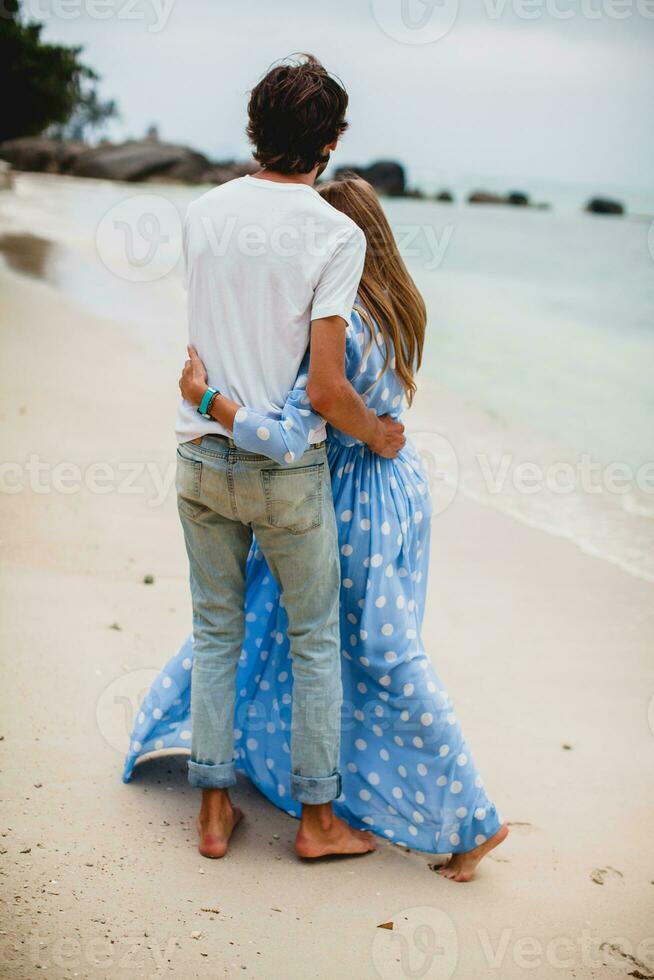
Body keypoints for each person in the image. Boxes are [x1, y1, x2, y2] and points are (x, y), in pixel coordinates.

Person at [125, 175, 508, 881]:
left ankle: (466, 817)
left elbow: (296, 423)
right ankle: (307, 793)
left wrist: (206, 398)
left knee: (371, 650)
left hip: (350, 490)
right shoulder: (400, 309)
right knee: (319, 630)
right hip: (397, 486)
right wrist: (378, 437)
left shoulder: (337, 327)